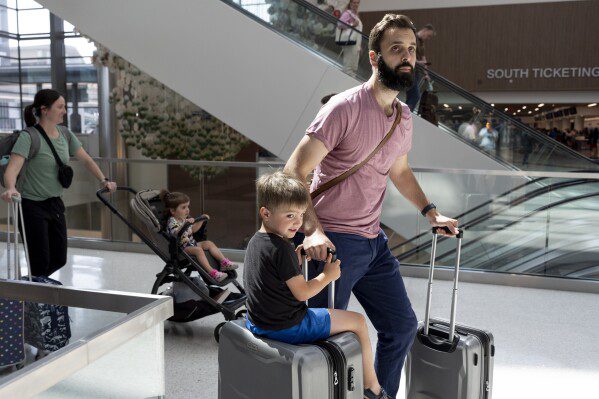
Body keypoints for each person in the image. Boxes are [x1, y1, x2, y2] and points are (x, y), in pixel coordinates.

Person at [284, 14, 459, 398]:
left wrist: (432, 212)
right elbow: (294, 170)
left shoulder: (403, 117)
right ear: (375, 57)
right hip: (332, 244)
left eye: (411, 49)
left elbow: (400, 171)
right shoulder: (343, 109)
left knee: (400, 328)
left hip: (373, 242)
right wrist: (312, 230)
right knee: (318, 343)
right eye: (396, 49)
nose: (407, 57)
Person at [244, 171, 390, 399]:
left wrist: (296, 259)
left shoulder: (256, 241)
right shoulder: (281, 249)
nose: (298, 222)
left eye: (301, 214)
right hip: (287, 326)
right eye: (290, 215)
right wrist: (328, 276)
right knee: (358, 321)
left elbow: (272, 276)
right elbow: (302, 293)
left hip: (258, 323)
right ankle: (372, 389)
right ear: (265, 213)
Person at [1, 89, 117, 277]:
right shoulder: (28, 137)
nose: (64, 111)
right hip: (31, 206)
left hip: (55, 203)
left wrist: (103, 179)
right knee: (40, 260)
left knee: (59, 258)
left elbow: (86, 159)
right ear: (45, 110)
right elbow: (12, 169)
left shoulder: (65, 133)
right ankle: (37, 298)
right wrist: (11, 188)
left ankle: (36, 286)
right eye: (60, 107)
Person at [160, 190, 238, 283]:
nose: (187, 210)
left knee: (208, 243)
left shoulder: (183, 219)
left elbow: (193, 230)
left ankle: (224, 262)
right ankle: (212, 273)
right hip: (181, 248)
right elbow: (175, 234)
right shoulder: (172, 221)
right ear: (173, 211)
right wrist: (185, 224)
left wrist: (200, 220)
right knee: (198, 250)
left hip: (191, 243)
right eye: (183, 207)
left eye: (188, 206)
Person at [405, 23, 436, 111]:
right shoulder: (413, 37)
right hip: (410, 70)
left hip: (417, 71)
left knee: (411, 95)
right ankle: (405, 115)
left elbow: (423, 59)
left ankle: (404, 115)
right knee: (415, 95)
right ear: (425, 30)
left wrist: (426, 74)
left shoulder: (422, 43)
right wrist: (418, 62)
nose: (428, 38)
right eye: (428, 35)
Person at [337, 0, 362, 75]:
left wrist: (359, 46)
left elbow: (357, 34)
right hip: (350, 43)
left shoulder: (356, 15)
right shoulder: (347, 13)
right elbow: (339, 24)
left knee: (353, 66)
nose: (356, 4)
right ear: (350, 3)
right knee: (348, 66)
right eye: (354, 2)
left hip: (355, 44)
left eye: (357, 3)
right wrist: (352, 24)